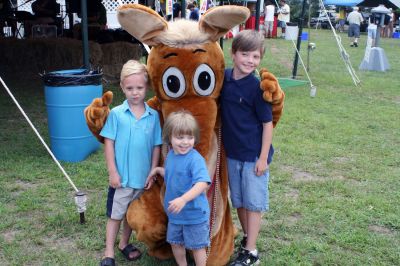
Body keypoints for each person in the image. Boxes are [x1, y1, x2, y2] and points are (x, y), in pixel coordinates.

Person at [99, 60, 162, 266]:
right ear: (122, 88)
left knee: (131, 215)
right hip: (123, 179)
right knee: (116, 214)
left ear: (147, 87)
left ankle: (124, 243)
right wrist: (112, 172)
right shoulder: (117, 114)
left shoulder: (153, 116)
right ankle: (108, 252)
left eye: (140, 88)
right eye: (130, 88)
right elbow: (109, 143)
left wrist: (153, 171)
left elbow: (156, 146)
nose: (135, 92)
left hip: (143, 178)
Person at [220, 30, 274, 266]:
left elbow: (267, 124)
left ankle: (251, 252)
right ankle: (247, 239)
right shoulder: (224, 79)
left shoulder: (257, 88)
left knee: (253, 204)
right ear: (233, 54)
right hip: (232, 154)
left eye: (255, 57)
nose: (250, 61)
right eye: (245, 54)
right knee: (239, 201)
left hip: (253, 156)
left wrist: (263, 158)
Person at [146, 110, 211, 266]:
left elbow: (202, 183)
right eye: (180, 137)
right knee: (176, 243)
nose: (185, 142)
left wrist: (183, 199)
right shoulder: (171, 156)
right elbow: (173, 174)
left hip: (194, 214)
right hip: (175, 214)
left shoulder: (195, 159)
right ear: (169, 137)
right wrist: (157, 170)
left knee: (197, 247)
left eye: (190, 137)